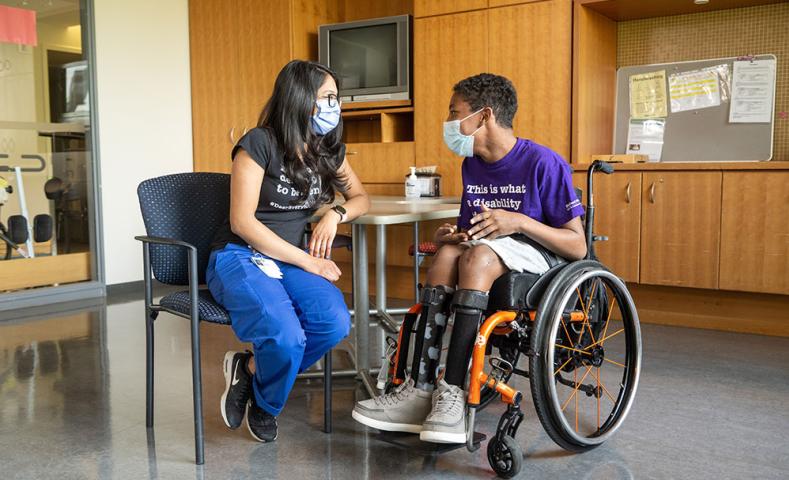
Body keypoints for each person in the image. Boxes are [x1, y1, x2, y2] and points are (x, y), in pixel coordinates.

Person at [352, 73, 586, 443]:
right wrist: (454, 235)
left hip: (542, 258)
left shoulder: (544, 162)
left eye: (454, 112)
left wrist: (519, 222)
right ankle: (421, 389)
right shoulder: (472, 164)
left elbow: (577, 245)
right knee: (447, 254)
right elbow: (472, 231)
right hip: (488, 251)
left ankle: (454, 394)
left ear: (484, 115)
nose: (449, 122)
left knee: (476, 258)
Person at [207, 60, 370, 442]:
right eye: (327, 98)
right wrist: (309, 261)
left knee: (333, 323)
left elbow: (361, 197)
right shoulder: (258, 144)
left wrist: (335, 214)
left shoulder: (328, 150)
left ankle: (249, 371)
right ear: (299, 99)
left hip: (290, 257)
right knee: (284, 335)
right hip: (240, 254)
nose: (335, 106)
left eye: (336, 98)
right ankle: (267, 405)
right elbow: (242, 223)